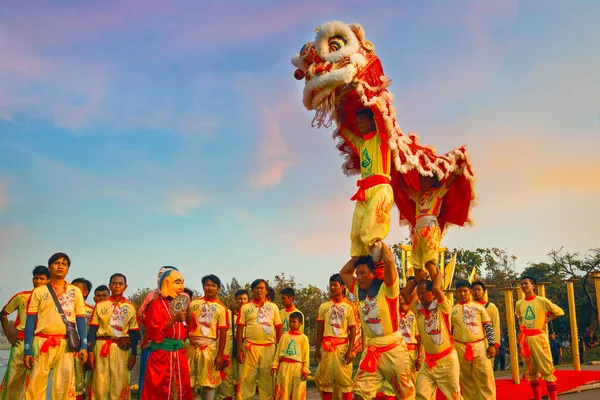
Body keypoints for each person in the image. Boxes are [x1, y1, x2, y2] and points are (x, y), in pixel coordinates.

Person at [340, 242, 415, 399]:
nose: (358, 277)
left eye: (362, 273)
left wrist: (377, 242)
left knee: (406, 396)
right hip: (372, 350)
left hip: (394, 350)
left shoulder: (387, 288)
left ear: (372, 273)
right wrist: (360, 253)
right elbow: (344, 273)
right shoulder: (358, 290)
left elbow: (389, 262)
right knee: (360, 394)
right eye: (357, 274)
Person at [23, 252, 89, 400]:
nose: (60, 266)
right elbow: (30, 321)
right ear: (49, 267)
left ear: (68, 270)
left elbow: (80, 320)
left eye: (64, 264)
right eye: (56, 263)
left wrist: (83, 346)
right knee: (35, 385)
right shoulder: (39, 292)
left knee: (65, 386)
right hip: (41, 342)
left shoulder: (75, 291)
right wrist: (27, 349)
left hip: (66, 343)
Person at [401, 263, 461, 400]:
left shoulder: (443, 306)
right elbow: (404, 293)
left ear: (432, 293)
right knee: (421, 394)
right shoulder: (418, 308)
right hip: (428, 362)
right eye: (419, 293)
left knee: (454, 397)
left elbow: (437, 288)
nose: (420, 296)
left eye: (423, 293)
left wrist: (436, 277)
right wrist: (417, 280)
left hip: (447, 361)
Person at [344, 108, 394, 263]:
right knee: (356, 233)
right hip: (364, 192)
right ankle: (363, 268)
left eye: (363, 120)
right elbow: (347, 134)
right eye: (358, 122)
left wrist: (373, 101)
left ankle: (379, 267)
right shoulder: (362, 144)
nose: (359, 124)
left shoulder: (382, 139)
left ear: (373, 120)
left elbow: (382, 118)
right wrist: (336, 111)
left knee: (371, 229)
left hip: (381, 188)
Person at [141, 268, 194, 400]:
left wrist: (187, 312)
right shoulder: (156, 305)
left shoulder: (181, 303)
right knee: (158, 390)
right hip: (161, 355)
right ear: (166, 283)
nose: (181, 287)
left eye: (182, 283)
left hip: (179, 354)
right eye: (177, 282)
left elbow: (191, 327)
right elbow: (153, 330)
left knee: (181, 389)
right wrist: (173, 320)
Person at [87, 273, 140, 400]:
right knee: (100, 383)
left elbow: (133, 333)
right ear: (110, 285)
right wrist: (90, 352)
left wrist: (133, 354)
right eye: (114, 283)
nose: (117, 286)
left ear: (125, 287)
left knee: (119, 381)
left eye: (120, 283)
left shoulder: (130, 307)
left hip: (121, 349)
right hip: (101, 347)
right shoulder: (100, 305)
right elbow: (92, 331)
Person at [0, 265, 49, 400]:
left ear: (48, 281)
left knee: (37, 382)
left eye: (42, 279)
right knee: (13, 380)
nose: (38, 281)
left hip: (40, 343)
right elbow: (3, 313)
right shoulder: (22, 297)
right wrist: (9, 335)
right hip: (20, 343)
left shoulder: (52, 300)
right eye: (35, 278)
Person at [515, 275, 564, 400]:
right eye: (522, 284)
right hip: (526, 339)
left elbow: (559, 312)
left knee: (547, 369)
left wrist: (546, 320)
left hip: (539, 337)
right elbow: (520, 318)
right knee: (531, 371)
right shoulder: (519, 303)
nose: (524, 286)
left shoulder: (542, 301)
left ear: (533, 286)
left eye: (526, 283)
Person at [236, 279, 283, 400]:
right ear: (252, 290)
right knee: (246, 379)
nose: (259, 290)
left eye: (262, 288)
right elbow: (240, 329)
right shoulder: (246, 307)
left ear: (267, 291)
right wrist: (238, 349)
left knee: (267, 380)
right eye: (256, 288)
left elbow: (278, 328)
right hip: (249, 348)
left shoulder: (273, 307)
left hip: (269, 348)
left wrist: (280, 350)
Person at [137, 265, 179, 399]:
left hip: (172, 348)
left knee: (171, 384)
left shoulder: (180, 297)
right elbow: (142, 317)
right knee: (150, 382)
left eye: (166, 275)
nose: (162, 277)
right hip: (152, 345)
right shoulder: (151, 296)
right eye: (160, 274)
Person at [314, 273, 357, 400]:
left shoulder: (349, 306)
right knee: (325, 381)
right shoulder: (324, 306)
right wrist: (317, 350)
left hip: (342, 348)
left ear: (343, 286)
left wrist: (351, 350)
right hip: (326, 348)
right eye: (330, 285)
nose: (332, 288)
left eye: (335, 285)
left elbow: (353, 329)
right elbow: (320, 330)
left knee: (345, 381)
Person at [451, 280, 496, 400]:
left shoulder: (479, 307)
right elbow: (449, 331)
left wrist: (491, 344)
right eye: (459, 291)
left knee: (485, 377)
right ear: (456, 293)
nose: (462, 294)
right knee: (466, 380)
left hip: (479, 347)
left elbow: (488, 326)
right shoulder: (452, 310)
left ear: (470, 292)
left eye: (465, 291)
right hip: (460, 348)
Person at [188, 275, 228, 400]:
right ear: (203, 286)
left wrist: (220, 355)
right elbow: (186, 325)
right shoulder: (193, 303)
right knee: (188, 380)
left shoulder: (221, 308)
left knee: (209, 382)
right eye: (207, 285)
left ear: (218, 289)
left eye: (213, 285)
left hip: (210, 349)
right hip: (190, 347)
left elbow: (223, 333)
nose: (210, 288)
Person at [217, 290, 249, 400]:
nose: (242, 301)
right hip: (231, 345)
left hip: (245, 346)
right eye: (240, 298)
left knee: (242, 374)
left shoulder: (250, 314)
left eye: (245, 299)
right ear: (236, 300)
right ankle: (227, 395)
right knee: (229, 372)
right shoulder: (230, 314)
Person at [271, 312, 310, 400]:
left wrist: (305, 369)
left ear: (300, 323)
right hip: (285, 367)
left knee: (298, 392)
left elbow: (306, 355)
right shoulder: (284, 337)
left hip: (298, 368)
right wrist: (275, 365)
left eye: (294, 322)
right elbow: (278, 352)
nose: (291, 324)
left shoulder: (304, 338)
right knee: (283, 392)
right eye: (290, 322)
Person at [71, 277, 94, 400]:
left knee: (79, 384)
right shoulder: (63, 308)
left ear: (85, 293)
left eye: (76, 289)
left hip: (81, 352)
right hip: (63, 350)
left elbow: (93, 334)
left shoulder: (91, 311)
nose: (72, 291)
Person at [471, 280, 501, 368]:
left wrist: (495, 344)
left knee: (487, 368)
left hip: (488, 342)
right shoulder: (468, 306)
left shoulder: (491, 307)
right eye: (474, 290)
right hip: (473, 342)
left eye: (478, 290)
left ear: (484, 292)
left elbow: (495, 325)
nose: (476, 292)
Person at [398, 286, 421, 385]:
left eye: (403, 295)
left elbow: (419, 337)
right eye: (399, 295)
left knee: (413, 379)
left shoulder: (414, 314)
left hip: (411, 351)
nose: (401, 297)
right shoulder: (394, 313)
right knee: (398, 380)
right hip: (397, 350)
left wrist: (419, 356)